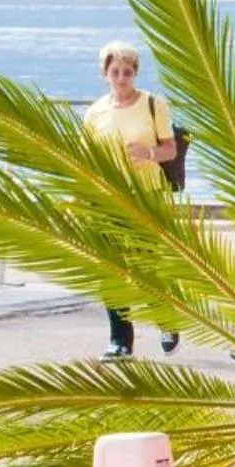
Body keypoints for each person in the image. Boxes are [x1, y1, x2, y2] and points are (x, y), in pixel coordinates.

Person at [79, 41, 180, 359]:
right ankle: (119, 340)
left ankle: (166, 321)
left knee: (148, 264)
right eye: (115, 72)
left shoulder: (153, 104)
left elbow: (171, 149)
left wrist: (148, 153)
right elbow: (87, 157)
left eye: (127, 72)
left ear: (135, 73)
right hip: (108, 199)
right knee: (111, 268)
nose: (122, 78)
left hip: (146, 196)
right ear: (105, 74)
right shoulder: (95, 112)